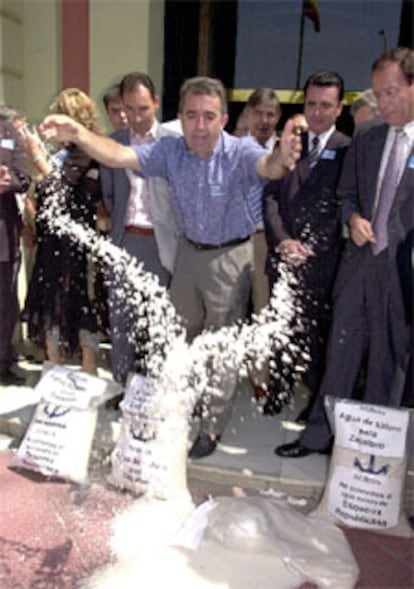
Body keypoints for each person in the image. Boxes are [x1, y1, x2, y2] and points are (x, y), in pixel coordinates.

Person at [39, 76, 302, 458]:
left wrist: (283, 155)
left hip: (230, 258)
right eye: (192, 115)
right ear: (179, 117)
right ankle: (181, 404)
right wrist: (78, 132)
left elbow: (270, 166)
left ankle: (210, 428)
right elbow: (117, 155)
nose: (200, 125)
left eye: (209, 116)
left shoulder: (239, 152)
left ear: (223, 119)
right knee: (177, 338)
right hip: (187, 255)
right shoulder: (171, 151)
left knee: (221, 348)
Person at [275, 47, 414, 458]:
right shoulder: (368, 139)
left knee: (390, 366)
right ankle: (318, 436)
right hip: (358, 268)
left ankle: (370, 454)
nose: (383, 102)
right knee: (341, 354)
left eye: (392, 93)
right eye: (377, 93)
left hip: (402, 274)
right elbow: (348, 195)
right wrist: (353, 219)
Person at [263, 71, 351, 422]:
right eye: (311, 103)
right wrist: (283, 240)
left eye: (325, 105)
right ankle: (278, 389)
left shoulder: (347, 149)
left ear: (339, 107)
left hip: (320, 263)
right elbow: (269, 197)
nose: (316, 112)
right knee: (280, 328)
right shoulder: (288, 142)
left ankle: (315, 401)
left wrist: (311, 246)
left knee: (316, 336)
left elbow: (345, 202)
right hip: (283, 256)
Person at [100, 72, 182, 389]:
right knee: (122, 318)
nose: (136, 117)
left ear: (156, 103)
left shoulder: (173, 144)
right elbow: (109, 195)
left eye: (143, 109)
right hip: (125, 240)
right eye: (130, 109)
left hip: (161, 244)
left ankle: (154, 388)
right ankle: (123, 387)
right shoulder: (113, 144)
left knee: (158, 319)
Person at [22, 88, 103, 375]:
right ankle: (53, 363)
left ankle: (88, 366)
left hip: (72, 242)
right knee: (50, 300)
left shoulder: (86, 152)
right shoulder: (67, 152)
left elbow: (60, 188)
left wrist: (36, 155)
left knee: (76, 300)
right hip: (52, 240)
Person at [244, 88, 282, 397]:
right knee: (224, 310)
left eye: (271, 114)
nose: (265, 120)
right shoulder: (232, 149)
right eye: (259, 113)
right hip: (229, 240)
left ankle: (260, 376)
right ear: (249, 114)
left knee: (262, 308)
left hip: (262, 241)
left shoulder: (285, 152)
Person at [0, 106, 31, 385]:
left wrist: (10, 181)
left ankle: (3, 362)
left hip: (4, 237)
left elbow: (25, 176)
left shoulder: (8, 131)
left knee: (6, 302)